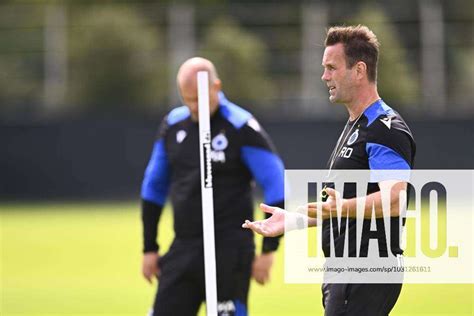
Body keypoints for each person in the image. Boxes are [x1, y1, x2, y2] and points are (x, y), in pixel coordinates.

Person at [243, 25, 416, 316]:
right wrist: (294, 220)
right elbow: (341, 205)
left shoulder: (385, 128)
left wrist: (339, 209)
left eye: (332, 68)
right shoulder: (356, 124)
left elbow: (395, 200)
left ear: (359, 70)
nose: (325, 76)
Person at [140, 57, 285, 316]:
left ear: (216, 86)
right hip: (184, 247)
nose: (194, 107)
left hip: (230, 250)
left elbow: (276, 183)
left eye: (199, 99)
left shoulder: (240, 125)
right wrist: (149, 247)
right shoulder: (173, 125)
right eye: (187, 99)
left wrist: (268, 251)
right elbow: (153, 186)